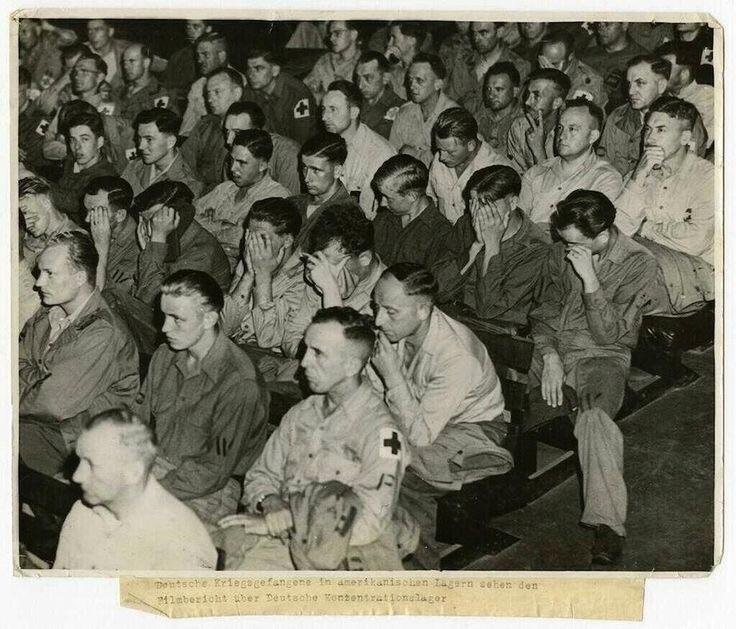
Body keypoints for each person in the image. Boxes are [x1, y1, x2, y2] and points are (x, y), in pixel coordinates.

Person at [527, 189, 659, 565]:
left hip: (600, 356)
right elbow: (543, 310)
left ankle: (608, 525)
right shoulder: (563, 248)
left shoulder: (638, 262)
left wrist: (590, 282)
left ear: (601, 235)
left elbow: (611, 335)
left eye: (573, 243)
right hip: (552, 350)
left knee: (594, 420)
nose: (564, 248)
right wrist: (549, 353)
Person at [223, 307, 410, 570]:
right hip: (281, 538)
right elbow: (260, 475)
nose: (304, 362)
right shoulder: (302, 414)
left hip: (340, 557)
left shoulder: (383, 433)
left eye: (318, 353)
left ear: (351, 365)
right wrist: (270, 501)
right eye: (306, 349)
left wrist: (291, 518)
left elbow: (371, 520)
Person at [369, 263, 513, 568]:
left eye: (390, 311)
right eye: (376, 307)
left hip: (473, 432)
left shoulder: (456, 356)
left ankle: (417, 569)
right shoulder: (403, 328)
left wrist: (392, 376)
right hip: (427, 422)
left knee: (400, 465)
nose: (378, 320)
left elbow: (421, 436)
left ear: (423, 310)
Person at [135, 270, 269, 529]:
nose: (164, 328)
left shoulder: (239, 383)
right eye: (164, 316)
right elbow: (137, 422)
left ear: (209, 318)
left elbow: (214, 470)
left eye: (177, 319)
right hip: (155, 466)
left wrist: (146, 492)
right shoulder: (165, 357)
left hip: (209, 492)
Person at [19, 231, 139, 477]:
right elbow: (15, 361)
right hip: (42, 426)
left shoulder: (103, 333)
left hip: (82, 441)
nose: (38, 283)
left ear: (80, 277)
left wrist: (33, 379)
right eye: (40, 272)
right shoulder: (47, 313)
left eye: (49, 273)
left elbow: (52, 403)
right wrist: (41, 379)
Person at [53, 408, 217, 570]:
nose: (77, 476)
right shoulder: (83, 511)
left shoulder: (182, 545)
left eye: (91, 464)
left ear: (133, 472)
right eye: (80, 460)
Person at [103, 180, 230, 355]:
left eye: (153, 220)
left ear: (175, 218)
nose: (143, 227)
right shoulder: (171, 238)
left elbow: (151, 302)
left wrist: (156, 243)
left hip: (188, 335)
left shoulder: (200, 252)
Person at [615, 97, 714, 314]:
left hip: (693, 275)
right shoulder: (640, 173)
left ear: (685, 137)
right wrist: (638, 177)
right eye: (648, 130)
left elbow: (696, 241)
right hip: (646, 263)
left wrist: (645, 228)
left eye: (661, 130)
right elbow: (617, 228)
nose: (650, 138)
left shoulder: (709, 177)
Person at [439, 165, 550, 324]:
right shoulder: (466, 224)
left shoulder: (536, 248)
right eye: (473, 203)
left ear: (512, 203)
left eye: (486, 205)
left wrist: (492, 246)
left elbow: (487, 310)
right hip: (452, 317)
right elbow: (438, 290)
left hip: (494, 331)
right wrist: (476, 247)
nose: (477, 212)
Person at [280, 203, 385, 362]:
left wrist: (331, 291)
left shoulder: (387, 297)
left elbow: (344, 359)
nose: (323, 273)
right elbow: (291, 338)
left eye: (334, 266)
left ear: (364, 259)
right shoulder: (320, 272)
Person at [518, 98, 623, 225]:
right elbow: (519, 223)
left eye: (572, 129)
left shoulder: (605, 178)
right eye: (560, 128)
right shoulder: (536, 172)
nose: (561, 136)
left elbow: (589, 232)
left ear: (593, 136)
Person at [194, 129, 289, 267]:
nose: (233, 168)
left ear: (262, 165)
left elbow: (241, 240)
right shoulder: (225, 188)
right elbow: (189, 216)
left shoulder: (277, 197)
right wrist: (224, 226)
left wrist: (209, 222)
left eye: (242, 162)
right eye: (232, 160)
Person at [221, 197, 306, 351]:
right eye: (249, 235)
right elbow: (224, 326)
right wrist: (248, 274)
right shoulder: (249, 260)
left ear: (287, 241)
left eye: (260, 238)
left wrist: (263, 277)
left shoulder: (304, 277)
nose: (250, 244)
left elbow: (268, 339)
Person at [321, 80, 396, 218]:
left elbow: (375, 215)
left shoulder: (379, 154)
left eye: (333, 110)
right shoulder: (326, 145)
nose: (324, 117)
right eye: (324, 109)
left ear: (354, 112)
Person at [428, 106, 514, 224]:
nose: (442, 157)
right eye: (439, 149)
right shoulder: (439, 160)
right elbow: (433, 202)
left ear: (471, 145)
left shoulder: (497, 170)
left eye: (450, 152)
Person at [372, 154, 454, 271]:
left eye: (388, 198)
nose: (382, 204)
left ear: (412, 196)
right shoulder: (385, 217)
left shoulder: (440, 234)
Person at [598, 55, 671, 176]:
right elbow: (603, 165)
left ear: (661, 86)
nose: (631, 91)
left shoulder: (681, 119)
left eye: (640, 83)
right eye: (629, 84)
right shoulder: (618, 116)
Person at [180, 67, 245, 191]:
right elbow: (184, 162)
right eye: (208, 93)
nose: (210, 99)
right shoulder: (205, 125)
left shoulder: (250, 127)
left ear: (237, 93)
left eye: (217, 92)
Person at [388, 53, 458, 168]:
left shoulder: (453, 116)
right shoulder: (405, 112)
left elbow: (451, 163)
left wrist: (413, 154)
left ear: (438, 84)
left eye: (419, 80)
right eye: (410, 80)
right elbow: (392, 155)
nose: (412, 86)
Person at [445, 21, 530, 113]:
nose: (476, 38)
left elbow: (516, 110)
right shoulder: (464, 62)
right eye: (474, 33)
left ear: (500, 32)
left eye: (483, 33)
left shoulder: (519, 66)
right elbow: (450, 100)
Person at [289, 133, 355, 250]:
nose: (306, 178)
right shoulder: (294, 203)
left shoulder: (348, 216)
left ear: (337, 171)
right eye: (304, 168)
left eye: (315, 170)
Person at [50, 110, 117, 224]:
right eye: (73, 140)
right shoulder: (72, 162)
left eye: (85, 139)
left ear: (100, 142)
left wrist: (37, 181)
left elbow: (74, 202)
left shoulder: (105, 176)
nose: (77, 147)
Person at [221, 101, 301, 195]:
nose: (229, 141)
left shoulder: (288, 154)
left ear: (258, 131)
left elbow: (292, 202)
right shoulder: (233, 154)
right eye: (227, 132)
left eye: (237, 132)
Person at [243, 48, 318, 145]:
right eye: (249, 68)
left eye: (258, 68)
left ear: (275, 70)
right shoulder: (250, 90)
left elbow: (301, 140)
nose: (251, 75)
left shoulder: (296, 94)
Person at [122, 108, 203, 197]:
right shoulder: (135, 167)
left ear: (170, 142)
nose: (141, 146)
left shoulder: (188, 185)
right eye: (139, 139)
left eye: (149, 139)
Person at [506, 68, 570, 173]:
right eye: (528, 94)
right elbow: (515, 175)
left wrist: (539, 150)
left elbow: (558, 185)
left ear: (556, 103)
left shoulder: (568, 136)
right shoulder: (520, 126)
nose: (527, 102)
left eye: (536, 96)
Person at [82, 176, 139, 292]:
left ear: (120, 215)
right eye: (86, 210)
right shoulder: (98, 228)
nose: (87, 219)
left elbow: (101, 293)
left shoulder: (137, 250)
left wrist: (101, 246)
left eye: (96, 212)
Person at [655, 41, 715, 149]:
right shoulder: (660, 96)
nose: (658, 74)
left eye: (666, 69)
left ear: (684, 75)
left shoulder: (707, 97)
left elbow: (699, 144)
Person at [179, 32, 240, 136]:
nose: (199, 60)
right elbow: (186, 127)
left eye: (205, 55)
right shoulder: (198, 86)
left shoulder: (239, 82)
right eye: (198, 55)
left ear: (221, 56)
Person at [579, 22, 648, 113]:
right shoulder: (587, 56)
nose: (601, 29)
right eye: (599, 24)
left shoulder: (642, 60)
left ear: (624, 25)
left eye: (607, 24)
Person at [19, 176, 85, 266]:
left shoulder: (75, 239)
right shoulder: (32, 236)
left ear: (45, 201)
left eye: (25, 211)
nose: (23, 221)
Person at [537, 30, 606, 108]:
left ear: (570, 57)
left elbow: (571, 116)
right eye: (542, 60)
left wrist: (555, 82)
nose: (546, 67)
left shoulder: (589, 82)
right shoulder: (540, 67)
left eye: (554, 64)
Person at [304, 21, 362, 103]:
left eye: (337, 33)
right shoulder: (326, 60)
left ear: (353, 35)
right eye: (331, 34)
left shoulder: (365, 63)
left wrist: (322, 95)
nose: (331, 38)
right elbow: (306, 88)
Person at [117, 43, 176, 123]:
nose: (125, 66)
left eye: (132, 61)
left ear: (146, 63)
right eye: (124, 62)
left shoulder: (161, 94)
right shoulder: (120, 91)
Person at [161, 20, 213, 111]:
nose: (190, 32)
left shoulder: (215, 57)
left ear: (208, 29)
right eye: (188, 27)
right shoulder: (178, 57)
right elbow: (165, 88)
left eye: (196, 27)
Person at [354, 50, 406, 140]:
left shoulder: (401, 108)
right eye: (358, 78)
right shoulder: (354, 102)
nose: (360, 85)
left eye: (368, 78)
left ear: (385, 78)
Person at [474, 62, 523, 154]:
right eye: (488, 89)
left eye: (498, 89)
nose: (491, 95)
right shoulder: (480, 116)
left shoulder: (523, 121)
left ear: (515, 91)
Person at [19, 18, 77, 90]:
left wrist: (49, 27)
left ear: (37, 29)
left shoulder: (51, 43)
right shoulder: (26, 51)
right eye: (18, 33)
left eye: (24, 31)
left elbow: (71, 38)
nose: (21, 37)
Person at [384, 21, 428, 100]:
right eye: (389, 38)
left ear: (412, 40)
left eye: (394, 37)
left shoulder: (427, 69)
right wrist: (383, 63)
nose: (389, 44)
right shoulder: (393, 69)